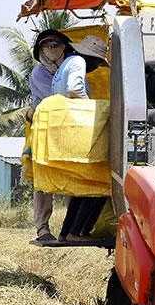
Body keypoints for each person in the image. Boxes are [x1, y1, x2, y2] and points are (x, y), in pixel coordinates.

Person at [53, 34, 110, 242]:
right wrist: (91, 109)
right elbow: (74, 89)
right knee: (99, 186)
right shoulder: (77, 62)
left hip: (66, 130)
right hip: (77, 129)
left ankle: (66, 232)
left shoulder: (63, 65)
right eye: (96, 62)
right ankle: (78, 232)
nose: (95, 67)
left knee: (81, 186)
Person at [27, 29, 73, 244]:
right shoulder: (39, 74)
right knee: (43, 182)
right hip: (45, 131)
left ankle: (71, 228)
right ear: (41, 51)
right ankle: (43, 229)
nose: (52, 50)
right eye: (47, 46)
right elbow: (56, 100)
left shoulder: (72, 67)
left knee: (73, 178)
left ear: (63, 47)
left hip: (69, 130)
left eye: (55, 45)